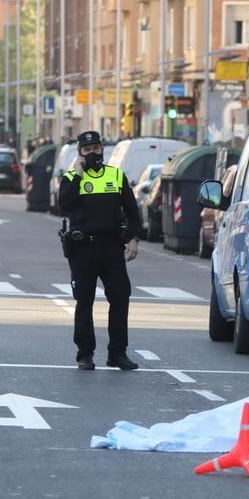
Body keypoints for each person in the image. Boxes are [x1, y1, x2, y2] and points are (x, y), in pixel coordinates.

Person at [58, 130, 142, 371]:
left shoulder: (116, 176)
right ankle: (85, 353)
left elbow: (132, 210)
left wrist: (133, 238)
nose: (92, 153)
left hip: (111, 247)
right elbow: (64, 204)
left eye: (96, 148)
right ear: (80, 153)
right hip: (83, 248)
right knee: (84, 301)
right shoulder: (72, 177)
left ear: (102, 149)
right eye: (87, 150)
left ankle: (118, 353)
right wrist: (77, 173)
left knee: (120, 297)